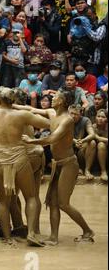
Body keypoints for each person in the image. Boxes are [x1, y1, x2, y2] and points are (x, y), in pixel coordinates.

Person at [0, 88, 50, 246]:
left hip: (1, 160)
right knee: (30, 196)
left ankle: (8, 238)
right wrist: (23, 108)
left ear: (0, 101)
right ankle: (31, 233)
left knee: (4, 201)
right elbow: (48, 123)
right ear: (14, 101)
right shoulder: (22, 115)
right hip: (20, 159)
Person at [21, 90, 95, 245]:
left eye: (55, 97)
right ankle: (54, 237)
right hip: (57, 164)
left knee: (63, 203)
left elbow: (53, 138)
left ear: (61, 101)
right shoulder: (51, 112)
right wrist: (5, 104)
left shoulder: (67, 120)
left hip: (69, 164)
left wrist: (31, 141)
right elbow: (30, 110)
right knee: (53, 202)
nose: (52, 99)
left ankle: (88, 230)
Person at [69, 104, 97, 180]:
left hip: (81, 147)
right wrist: (74, 141)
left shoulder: (85, 120)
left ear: (80, 114)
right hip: (69, 148)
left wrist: (82, 140)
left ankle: (87, 170)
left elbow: (92, 134)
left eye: (76, 114)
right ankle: (75, 169)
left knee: (92, 143)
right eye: (71, 113)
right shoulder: (65, 119)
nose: (73, 116)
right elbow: (62, 135)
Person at [1, 22, 28, 88]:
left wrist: (20, 39)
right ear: (12, 33)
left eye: (18, 33)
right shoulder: (7, 42)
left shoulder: (24, 42)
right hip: (8, 67)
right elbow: (3, 55)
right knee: (6, 86)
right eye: (15, 32)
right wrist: (11, 61)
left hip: (20, 68)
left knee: (18, 87)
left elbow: (24, 51)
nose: (16, 34)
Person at [93, 109, 108, 181]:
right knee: (101, 144)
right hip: (93, 156)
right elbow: (97, 138)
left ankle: (104, 171)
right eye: (98, 116)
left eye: (103, 117)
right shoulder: (92, 127)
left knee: (101, 145)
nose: (100, 119)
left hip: (106, 155)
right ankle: (103, 171)